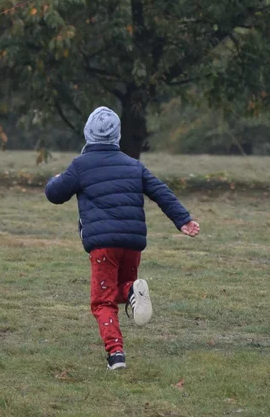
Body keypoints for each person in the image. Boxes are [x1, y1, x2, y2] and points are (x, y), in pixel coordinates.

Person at [45, 107, 200, 371]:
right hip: (132, 243)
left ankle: (115, 354)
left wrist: (55, 179)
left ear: (88, 134)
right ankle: (131, 290)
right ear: (117, 136)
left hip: (103, 245)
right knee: (120, 288)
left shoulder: (80, 165)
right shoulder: (133, 164)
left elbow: (55, 194)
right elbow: (160, 192)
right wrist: (182, 219)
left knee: (102, 300)